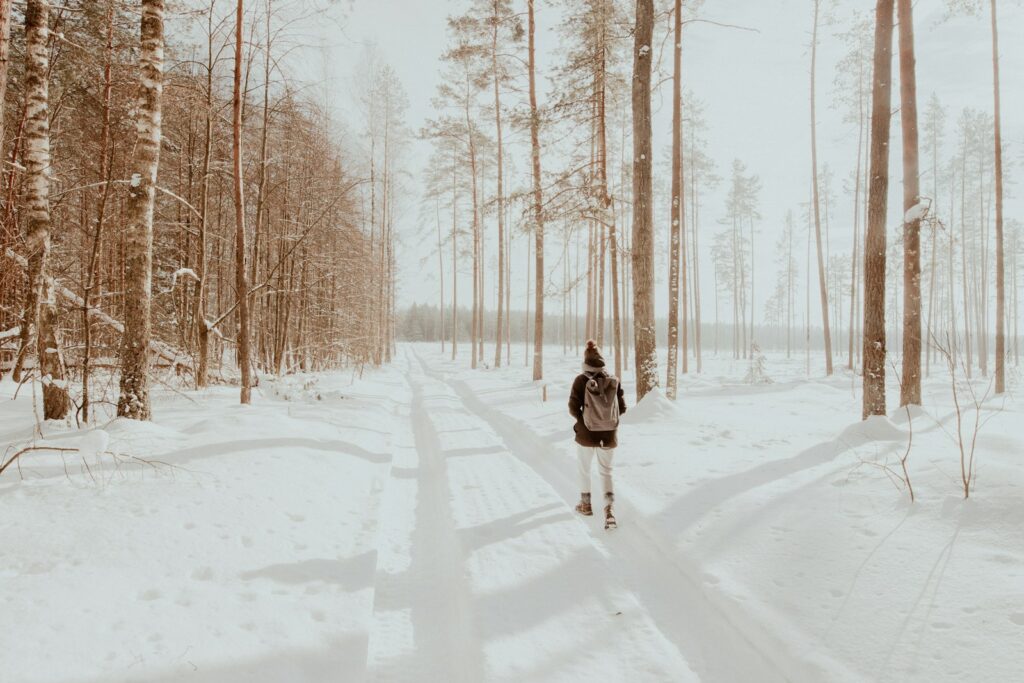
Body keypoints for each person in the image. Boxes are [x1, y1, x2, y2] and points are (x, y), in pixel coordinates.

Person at [568, 340, 626, 527]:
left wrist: (583, 420)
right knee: (606, 472)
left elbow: (572, 407)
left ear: (585, 361)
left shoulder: (580, 380)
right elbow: (622, 408)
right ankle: (609, 510)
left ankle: (586, 505)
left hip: (585, 435)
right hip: (609, 435)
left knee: (584, 470)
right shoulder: (614, 380)